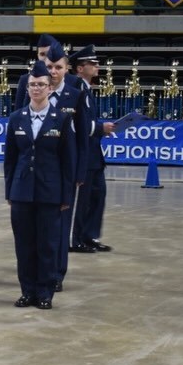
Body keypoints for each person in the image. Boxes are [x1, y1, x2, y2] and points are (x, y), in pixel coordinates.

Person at [4, 60, 76, 310]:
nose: (36, 89)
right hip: (22, 191)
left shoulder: (62, 119)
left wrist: (66, 195)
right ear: (27, 89)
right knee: (24, 245)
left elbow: (69, 161)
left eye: (41, 85)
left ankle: (45, 292)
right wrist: (9, 191)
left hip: (50, 192)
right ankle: (27, 291)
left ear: (49, 87)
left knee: (47, 245)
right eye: (32, 84)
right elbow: (10, 160)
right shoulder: (16, 118)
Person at [45, 40, 90, 292]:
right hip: (39, 169)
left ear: (67, 69)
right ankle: (41, 270)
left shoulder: (75, 95)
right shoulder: (34, 91)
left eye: (58, 67)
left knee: (61, 225)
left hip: (65, 171)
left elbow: (83, 137)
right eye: (49, 66)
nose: (53, 72)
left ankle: (57, 273)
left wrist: (80, 172)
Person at [69, 45, 115, 253]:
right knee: (83, 199)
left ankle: (90, 235)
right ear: (80, 68)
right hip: (83, 153)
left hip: (94, 153)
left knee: (97, 196)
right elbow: (76, 123)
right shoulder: (76, 89)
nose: (97, 66)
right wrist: (99, 128)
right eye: (92, 63)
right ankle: (76, 238)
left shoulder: (87, 89)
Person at [14, 33, 57, 111]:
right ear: (37, 55)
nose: (46, 58)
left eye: (49, 54)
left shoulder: (69, 80)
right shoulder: (25, 80)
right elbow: (18, 111)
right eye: (42, 54)